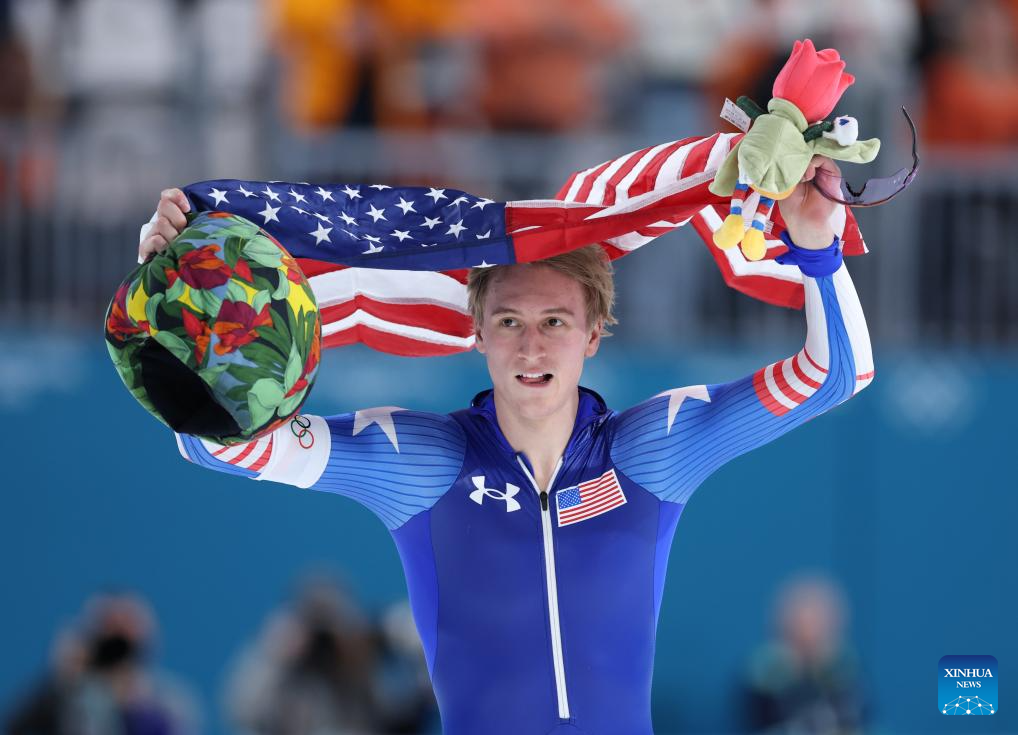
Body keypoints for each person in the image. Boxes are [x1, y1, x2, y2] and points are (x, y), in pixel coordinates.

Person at [139, 154, 873, 735]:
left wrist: (816, 248)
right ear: (477, 331)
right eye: (511, 320)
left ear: (592, 333)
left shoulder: (653, 451)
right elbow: (219, 445)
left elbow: (837, 373)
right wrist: (176, 298)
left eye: (556, 321)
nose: (532, 344)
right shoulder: (421, 462)